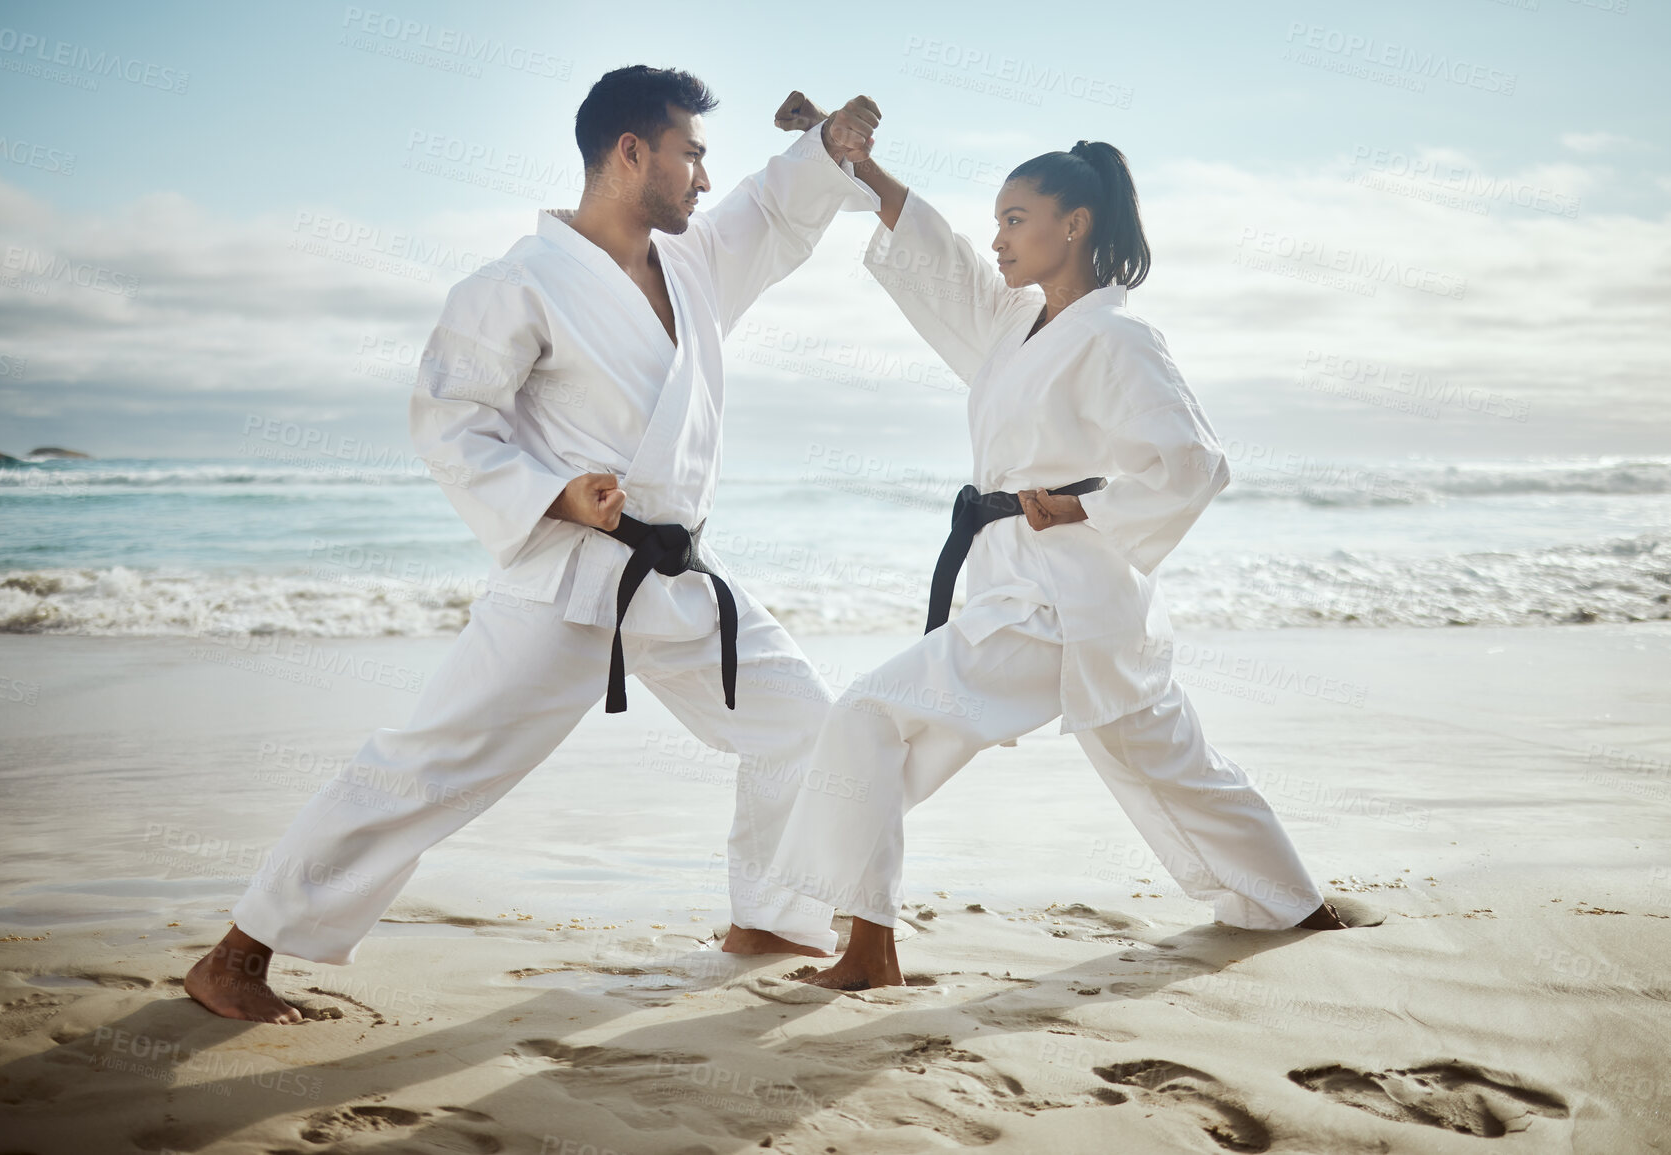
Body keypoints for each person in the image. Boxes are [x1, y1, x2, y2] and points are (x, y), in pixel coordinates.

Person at [186, 68, 885, 1022]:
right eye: (690, 155)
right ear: (630, 152)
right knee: (429, 765)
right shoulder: (517, 283)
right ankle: (237, 954)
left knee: (804, 719)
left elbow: (771, 206)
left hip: (678, 578)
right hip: (569, 582)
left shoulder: (692, 265)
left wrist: (826, 149)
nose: (704, 180)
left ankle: (767, 916)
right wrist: (555, 491)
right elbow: (450, 419)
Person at [765, 103, 1363, 991]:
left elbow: (1195, 464)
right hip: (1038, 594)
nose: (998, 239)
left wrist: (1085, 513)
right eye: (997, 221)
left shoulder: (1119, 337)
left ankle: (865, 950)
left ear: (1073, 226)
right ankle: (1298, 908)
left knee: (868, 717)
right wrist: (853, 160)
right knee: (1170, 760)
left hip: (1061, 602)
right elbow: (940, 263)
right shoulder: (1015, 327)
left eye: (1015, 220)